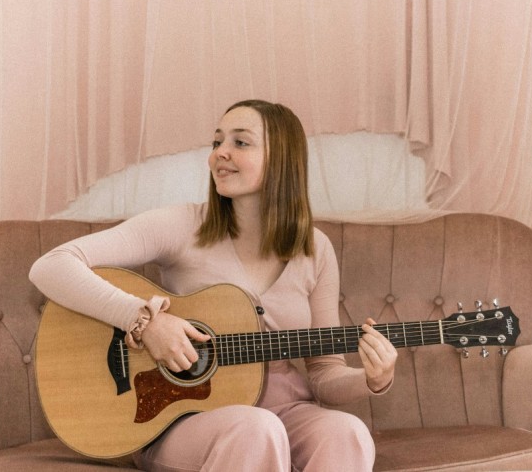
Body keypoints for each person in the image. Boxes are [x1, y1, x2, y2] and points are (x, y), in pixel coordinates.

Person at [29, 99, 398, 471]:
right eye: (217, 142)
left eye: (240, 143)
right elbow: (51, 266)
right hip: (181, 417)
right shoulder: (180, 226)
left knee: (347, 432)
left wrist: (372, 378)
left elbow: (324, 373)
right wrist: (143, 321)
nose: (219, 154)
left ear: (282, 159)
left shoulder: (315, 248)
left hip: (287, 412)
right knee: (255, 429)